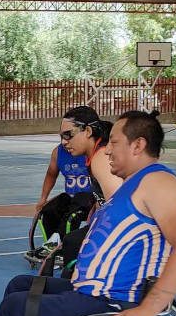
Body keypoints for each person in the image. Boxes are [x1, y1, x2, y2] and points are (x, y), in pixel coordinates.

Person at [0, 110, 176, 316]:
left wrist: (148, 311)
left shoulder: (158, 182)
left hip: (110, 302)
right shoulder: (132, 185)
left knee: (15, 308)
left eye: (114, 143)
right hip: (93, 292)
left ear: (137, 145)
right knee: (20, 285)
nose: (107, 151)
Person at [30, 106, 121, 260]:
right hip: (107, 224)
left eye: (69, 135)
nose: (64, 142)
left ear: (88, 131)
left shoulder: (101, 158)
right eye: (62, 137)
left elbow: (119, 206)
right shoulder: (93, 157)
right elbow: (103, 200)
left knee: (72, 244)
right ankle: (55, 243)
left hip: (121, 234)